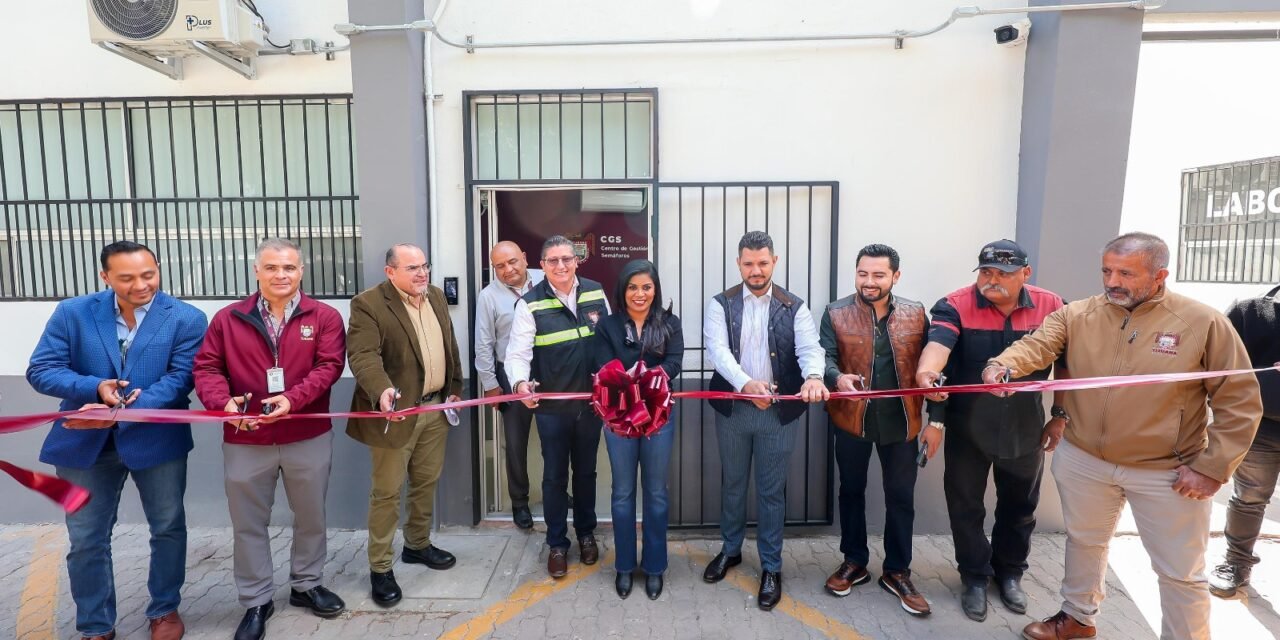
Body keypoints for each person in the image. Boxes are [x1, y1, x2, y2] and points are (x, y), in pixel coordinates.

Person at [982, 232, 1262, 640]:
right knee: (1084, 543)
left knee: (1180, 572)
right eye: (1107, 270)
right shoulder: (1077, 314)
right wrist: (1001, 366)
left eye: (1126, 273)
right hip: (1084, 460)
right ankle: (1077, 618)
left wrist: (1212, 467)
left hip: (1168, 471)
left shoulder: (1202, 323)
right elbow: (1037, 345)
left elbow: (1239, 401)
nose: (1112, 281)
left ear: (1160, 275)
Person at [27, 241, 207, 640]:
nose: (141, 285)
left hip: (156, 440)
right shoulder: (73, 312)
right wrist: (95, 388)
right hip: (83, 446)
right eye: (127, 278)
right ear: (105, 277)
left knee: (168, 527)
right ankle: (95, 626)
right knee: (86, 538)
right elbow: (42, 369)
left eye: (149, 274)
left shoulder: (187, 318)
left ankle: (164, 610)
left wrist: (128, 407)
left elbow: (183, 377)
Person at [193, 239, 347, 640]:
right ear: (257, 271)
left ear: (301, 271)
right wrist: (222, 403)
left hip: (306, 433)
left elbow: (329, 367)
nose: (282, 275)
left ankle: (306, 584)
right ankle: (256, 600)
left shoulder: (325, 316)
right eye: (273, 268)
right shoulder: (228, 319)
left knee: (311, 516)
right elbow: (207, 367)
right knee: (248, 524)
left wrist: (292, 400)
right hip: (246, 437)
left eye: (290, 268)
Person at [914, 239, 1066, 622]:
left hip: (1025, 427)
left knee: (1020, 507)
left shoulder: (1053, 306)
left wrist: (1060, 415)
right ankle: (975, 577)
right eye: (985, 272)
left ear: (1025, 275)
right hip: (968, 428)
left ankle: (1010, 573)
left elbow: (1067, 364)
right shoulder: (955, 304)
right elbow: (938, 349)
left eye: (1003, 273)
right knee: (965, 506)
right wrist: (926, 375)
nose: (991, 280)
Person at [701, 230, 829, 611]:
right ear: (738, 264)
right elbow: (717, 351)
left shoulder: (795, 306)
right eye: (748, 263)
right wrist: (746, 385)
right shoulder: (720, 304)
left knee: (772, 491)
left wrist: (814, 377)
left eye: (762, 263)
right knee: (734, 484)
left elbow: (809, 348)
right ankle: (731, 551)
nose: (755, 270)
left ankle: (772, 567)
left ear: (774, 262)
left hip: (778, 413)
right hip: (734, 409)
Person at [346, 243, 464, 607]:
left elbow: (449, 345)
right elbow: (363, 354)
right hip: (394, 415)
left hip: (434, 410)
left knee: (425, 481)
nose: (421, 274)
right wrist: (381, 391)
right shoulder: (368, 304)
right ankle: (380, 567)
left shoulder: (435, 297)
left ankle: (417, 544)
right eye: (412, 268)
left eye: (424, 266)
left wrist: (455, 387)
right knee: (387, 492)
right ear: (390, 272)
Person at [818, 244, 931, 616]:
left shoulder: (916, 315)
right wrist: (836, 377)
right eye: (863, 273)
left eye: (879, 275)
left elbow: (932, 368)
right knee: (851, 491)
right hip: (852, 420)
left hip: (903, 422)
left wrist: (938, 420)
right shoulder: (835, 313)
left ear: (895, 277)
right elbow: (824, 357)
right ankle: (854, 562)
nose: (869, 282)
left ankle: (897, 571)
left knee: (901, 498)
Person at [505, 235, 610, 578]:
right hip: (551, 409)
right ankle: (557, 544)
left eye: (567, 259)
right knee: (554, 477)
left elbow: (608, 341)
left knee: (586, 473)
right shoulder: (530, 304)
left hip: (591, 406)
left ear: (577, 260)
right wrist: (521, 384)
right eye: (553, 261)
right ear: (542, 264)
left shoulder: (596, 292)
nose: (561, 266)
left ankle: (586, 534)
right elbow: (517, 355)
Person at [592, 259, 684, 601]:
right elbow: (602, 365)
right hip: (619, 418)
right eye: (633, 287)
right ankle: (625, 567)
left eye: (646, 287)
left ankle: (656, 567)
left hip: (658, 417)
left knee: (657, 493)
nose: (640, 293)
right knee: (622, 493)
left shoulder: (669, 323)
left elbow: (674, 362)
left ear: (655, 289)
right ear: (622, 291)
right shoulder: (608, 325)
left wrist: (644, 375)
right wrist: (628, 374)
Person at [1208, 285, 1280, 598]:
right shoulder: (1250, 311)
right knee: (1250, 498)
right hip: (1259, 426)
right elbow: (1217, 365)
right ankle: (1236, 564)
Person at [474, 240, 541, 530]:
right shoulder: (489, 296)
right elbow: (484, 343)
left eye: (512, 261)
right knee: (516, 443)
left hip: (551, 370)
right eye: (499, 266)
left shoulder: (545, 279)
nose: (508, 269)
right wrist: (491, 384)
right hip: (509, 375)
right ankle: (519, 502)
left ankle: (558, 492)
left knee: (556, 439)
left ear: (524, 258)